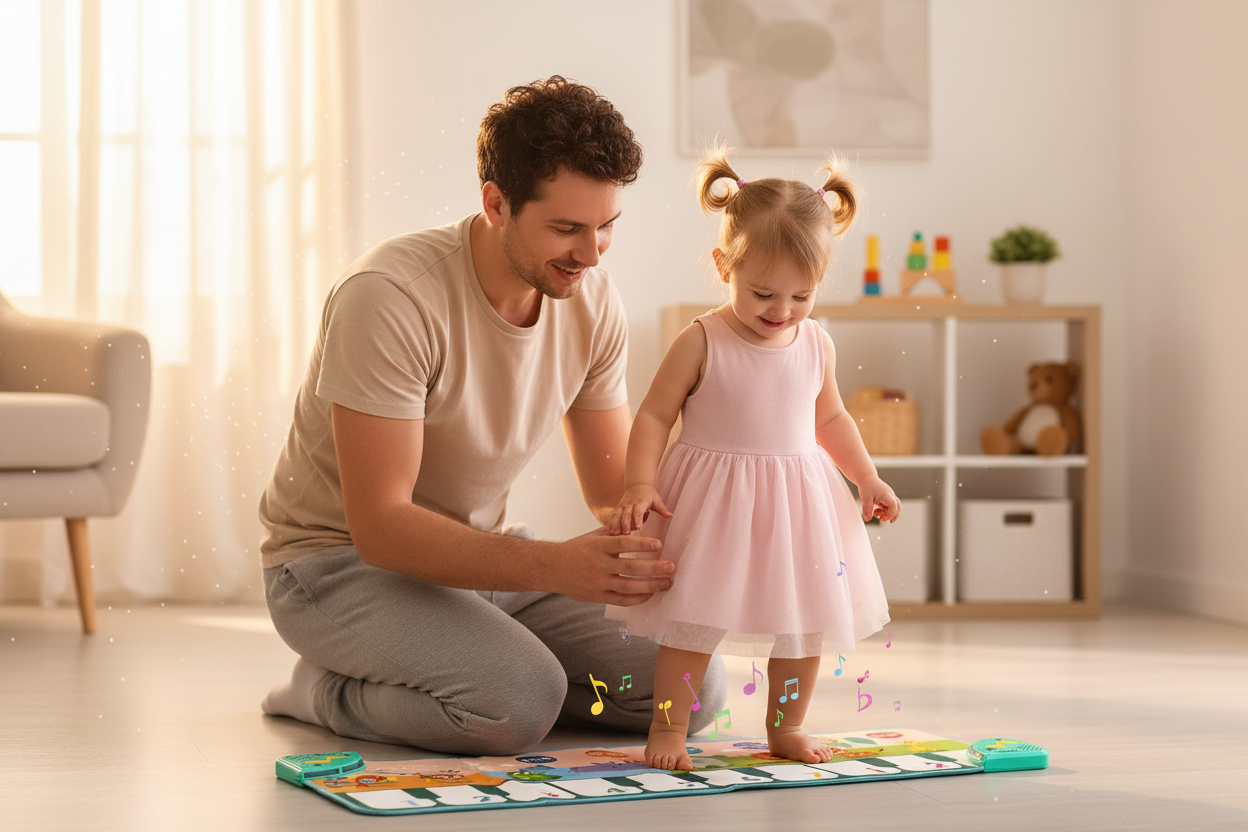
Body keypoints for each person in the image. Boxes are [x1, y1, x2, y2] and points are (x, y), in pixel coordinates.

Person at [257, 76, 727, 755]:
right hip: (337, 567)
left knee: (691, 690)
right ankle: (324, 690)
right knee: (517, 702)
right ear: (496, 204)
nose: (592, 254)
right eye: (566, 229)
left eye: (606, 227)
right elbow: (380, 527)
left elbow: (612, 488)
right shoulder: (389, 298)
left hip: (481, 567)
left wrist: (716, 513)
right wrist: (552, 567)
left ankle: (481, 672)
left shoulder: (592, 301)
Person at [605, 148, 900, 771]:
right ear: (724, 266)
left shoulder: (816, 343)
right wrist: (637, 483)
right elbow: (654, 415)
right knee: (691, 626)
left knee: (803, 627)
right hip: (713, 505)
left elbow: (830, 419)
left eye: (801, 295)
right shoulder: (701, 339)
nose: (781, 310)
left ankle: (786, 727)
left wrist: (866, 477)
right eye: (763, 292)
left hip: (798, 506)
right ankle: (670, 728)